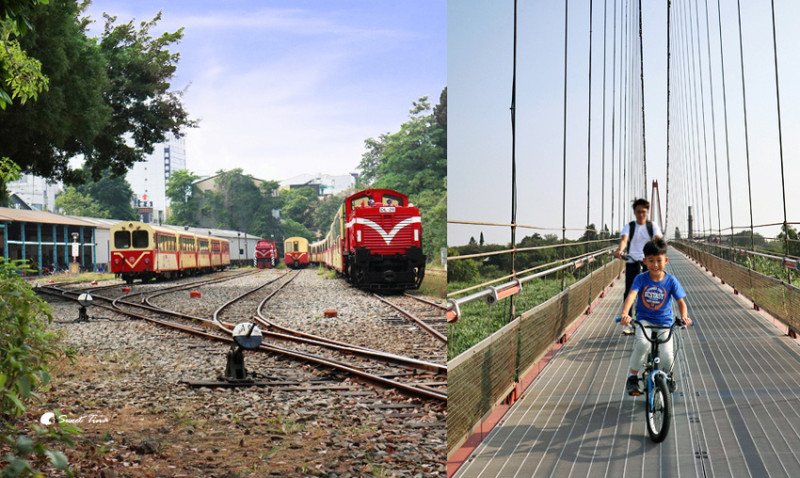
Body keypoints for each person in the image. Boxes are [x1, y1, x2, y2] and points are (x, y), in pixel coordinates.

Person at [620, 238, 692, 395]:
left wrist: (684, 317)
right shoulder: (641, 278)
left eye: (659, 261)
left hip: (664, 322)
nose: (655, 265)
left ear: (665, 260)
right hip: (644, 320)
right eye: (651, 261)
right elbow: (631, 296)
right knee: (642, 345)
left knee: (667, 354)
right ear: (644, 261)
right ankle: (632, 377)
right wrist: (625, 314)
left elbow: (681, 303)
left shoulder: (671, 281)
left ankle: (669, 376)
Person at [614, 198, 663, 334]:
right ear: (634, 212)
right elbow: (624, 240)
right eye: (638, 212)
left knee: (652, 291)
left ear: (647, 212)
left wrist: (660, 247)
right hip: (632, 262)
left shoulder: (652, 226)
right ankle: (628, 322)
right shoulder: (629, 226)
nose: (641, 214)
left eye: (643, 212)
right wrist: (620, 250)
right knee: (630, 292)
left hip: (648, 262)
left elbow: (658, 237)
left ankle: (652, 319)